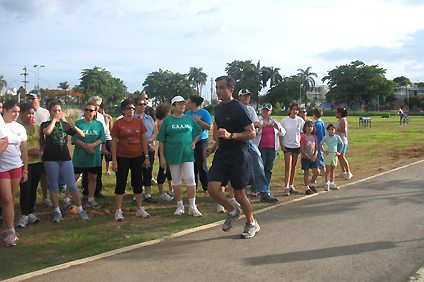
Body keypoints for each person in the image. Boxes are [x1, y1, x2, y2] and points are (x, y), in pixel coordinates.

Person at [204, 76, 260, 239]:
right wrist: (213, 147)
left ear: (231, 89)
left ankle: (251, 222)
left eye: (221, 87)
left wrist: (232, 135)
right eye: (217, 88)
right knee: (212, 188)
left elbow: (252, 132)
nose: (218, 91)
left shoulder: (239, 108)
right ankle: (233, 211)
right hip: (222, 154)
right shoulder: (218, 109)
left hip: (239, 156)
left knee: (240, 195)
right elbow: (220, 133)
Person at [40, 101, 89, 222]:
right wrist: (54, 120)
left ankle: (80, 210)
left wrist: (74, 127)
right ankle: (57, 211)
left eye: (59, 110)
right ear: (50, 112)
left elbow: (82, 135)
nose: (57, 113)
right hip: (50, 159)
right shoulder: (45, 124)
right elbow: (47, 132)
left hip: (65, 158)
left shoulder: (64, 125)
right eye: (54, 111)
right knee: (53, 185)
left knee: (72, 184)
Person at [157, 96, 203, 217]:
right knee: (176, 180)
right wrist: (162, 158)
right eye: (179, 104)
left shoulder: (188, 118)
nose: (182, 105)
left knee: (190, 178)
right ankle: (180, 205)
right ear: (173, 106)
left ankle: (192, 206)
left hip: (187, 154)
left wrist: (194, 142)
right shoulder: (167, 121)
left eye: (184, 103)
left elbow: (199, 130)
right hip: (172, 154)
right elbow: (161, 140)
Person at [111, 99, 150, 221]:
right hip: (122, 156)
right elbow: (113, 143)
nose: (131, 110)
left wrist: (147, 157)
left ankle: (140, 208)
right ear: (123, 110)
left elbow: (143, 140)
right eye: (129, 108)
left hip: (137, 156)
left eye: (133, 108)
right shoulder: (118, 123)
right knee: (121, 182)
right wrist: (114, 161)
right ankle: (118, 210)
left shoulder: (139, 122)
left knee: (138, 182)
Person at [238, 89, 278, 203]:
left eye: (248, 96)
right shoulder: (235, 108)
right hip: (239, 140)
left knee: (259, 166)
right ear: (239, 97)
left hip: (250, 141)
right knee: (242, 168)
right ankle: (243, 195)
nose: (247, 98)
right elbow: (254, 125)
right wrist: (249, 126)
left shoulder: (250, 109)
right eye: (244, 96)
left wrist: (245, 125)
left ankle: (265, 193)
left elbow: (257, 124)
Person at [0, 100, 28, 246]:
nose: (16, 114)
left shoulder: (20, 128)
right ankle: (11, 231)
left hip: (16, 166)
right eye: (13, 111)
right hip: (2, 166)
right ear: (4, 111)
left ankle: (6, 229)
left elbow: (23, 150)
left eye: (17, 112)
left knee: (10, 199)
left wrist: (25, 169)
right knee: (5, 198)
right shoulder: (1, 125)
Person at [70, 102, 105, 210]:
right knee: (74, 178)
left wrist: (93, 146)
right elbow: (74, 139)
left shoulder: (98, 124)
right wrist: (86, 147)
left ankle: (91, 198)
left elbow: (101, 138)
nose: (88, 112)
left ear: (95, 112)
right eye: (86, 110)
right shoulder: (78, 124)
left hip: (93, 156)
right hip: (80, 156)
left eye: (91, 110)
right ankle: (67, 199)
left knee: (93, 178)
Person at [77, 96, 110, 198]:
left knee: (97, 172)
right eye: (96, 104)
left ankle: (97, 191)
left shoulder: (100, 117)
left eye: (99, 105)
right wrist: (87, 147)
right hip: (84, 149)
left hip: (97, 149)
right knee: (86, 172)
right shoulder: (81, 117)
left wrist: (104, 147)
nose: (97, 107)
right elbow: (78, 133)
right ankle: (86, 192)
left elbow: (104, 133)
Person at [17, 103, 43, 228]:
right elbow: (15, 146)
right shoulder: (17, 128)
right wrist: (28, 151)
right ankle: (24, 214)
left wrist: (39, 151)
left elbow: (43, 143)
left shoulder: (37, 127)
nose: (31, 115)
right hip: (24, 163)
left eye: (33, 113)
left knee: (33, 189)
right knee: (25, 189)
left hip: (37, 163)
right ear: (21, 113)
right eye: (28, 113)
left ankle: (30, 213)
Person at [25, 92, 52, 208]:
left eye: (33, 98)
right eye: (29, 99)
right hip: (28, 147)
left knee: (43, 174)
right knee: (31, 176)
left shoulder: (44, 112)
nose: (30, 100)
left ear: (39, 99)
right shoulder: (25, 113)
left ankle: (45, 197)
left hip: (44, 145)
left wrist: (42, 149)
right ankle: (32, 199)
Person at [254, 103, 285, 201]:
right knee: (260, 169)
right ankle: (257, 188)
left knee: (268, 169)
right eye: (263, 110)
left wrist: (278, 127)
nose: (265, 112)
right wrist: (261, 127)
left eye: (267, 110)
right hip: (261, 148)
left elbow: (283, 132)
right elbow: (253, 133)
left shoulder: (274, 121)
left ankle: (266, 189)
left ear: (270, 112)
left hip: (273, 148)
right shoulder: (258, 121)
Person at [186, 95, 213, 193]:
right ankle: (195, 186)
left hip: (202, 141)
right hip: (190, 141)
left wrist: (198, 121)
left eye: (188, 102)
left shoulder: (204, 113)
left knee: (201, 164)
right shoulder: (188, 114)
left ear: (193, 103)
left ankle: (206, 187)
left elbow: (209, 127)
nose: (186, 104)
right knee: (193, 165)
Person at [280, 103, 304, 196]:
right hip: (287, 145)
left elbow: (301, 133)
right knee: (288, 166)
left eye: (297, 110)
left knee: (294, 166)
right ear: (290, 110)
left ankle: (291, 184)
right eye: (293, 109)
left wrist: (301, 144)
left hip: (296, 145)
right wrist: (282, 145)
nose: (295, 111)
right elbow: (281, 133)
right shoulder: (285, 120)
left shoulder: (300, 120)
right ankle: (286, 186)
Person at [155, 104, 175, 199]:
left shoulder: (166, 121)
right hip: (165, 149)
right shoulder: (161, 123)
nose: (170, 113)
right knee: (163, 170)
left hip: (170, 149)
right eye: (169, 112)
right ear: (164, 113)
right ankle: (161, 193)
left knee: (170, 171)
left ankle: (171, 190)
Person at [140, 92, 158, 186]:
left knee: (149, 167)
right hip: (139, 147)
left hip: (150, 144)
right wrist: (147, 144)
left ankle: (150, 181)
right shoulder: (133, 116)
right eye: (141, 103)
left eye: (146, 100)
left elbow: (155, 128)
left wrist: (150, 141)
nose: (144, 103)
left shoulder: (150, 113)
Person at [320, 124, 344, 191]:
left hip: (334, 154)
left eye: (332, 129)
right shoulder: (326, 137)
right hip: (328, 154)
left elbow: (342, 144)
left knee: (332, 170)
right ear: (327, 130)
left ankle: (332, 182)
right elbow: (321, 144)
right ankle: (327, 183)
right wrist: (324, 151)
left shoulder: (337, 137)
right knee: (327, 170)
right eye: (329, 129)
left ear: (335, 130)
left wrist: (339, 152)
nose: (331, 131)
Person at [300, 120, 319, 195]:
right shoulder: (303, 137)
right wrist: (308, 157)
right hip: (305, 158)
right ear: (305, 127)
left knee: (317, 172)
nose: (310, 128)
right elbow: (302, 149)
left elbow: (316, 148)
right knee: (306, 172)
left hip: (313, 157)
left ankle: (311, 184)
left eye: (311, 126)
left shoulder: (314, 137)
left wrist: (315, 155)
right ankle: (307, 187)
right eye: (308, 126)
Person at [335, 107, 353, 180]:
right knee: (339, 156)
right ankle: (343, 171)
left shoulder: (343, 120)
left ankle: (348, 172)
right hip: (338, 141)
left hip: (342, 141)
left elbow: (343, 130)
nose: (335, 114)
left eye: (337, 112)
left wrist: (335, 129)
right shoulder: (340, 120)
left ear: (340, 113)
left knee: (342, 156)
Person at [312, 108, 327, 187]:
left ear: (314, 115)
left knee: (320, 163)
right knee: (315, 163)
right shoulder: (323, 123)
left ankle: (325, 179)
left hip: (317, 145)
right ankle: (313, 178)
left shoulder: (316, 124)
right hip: (321, 144)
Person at [98, 103, 113, 175]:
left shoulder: (108, 117)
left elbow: (111, 128)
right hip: (100, 138)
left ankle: (107, 170)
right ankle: (99, 169)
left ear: (102, 109)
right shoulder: (97, 117)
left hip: (108, 138)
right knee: (100, 155)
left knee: (108, 156)